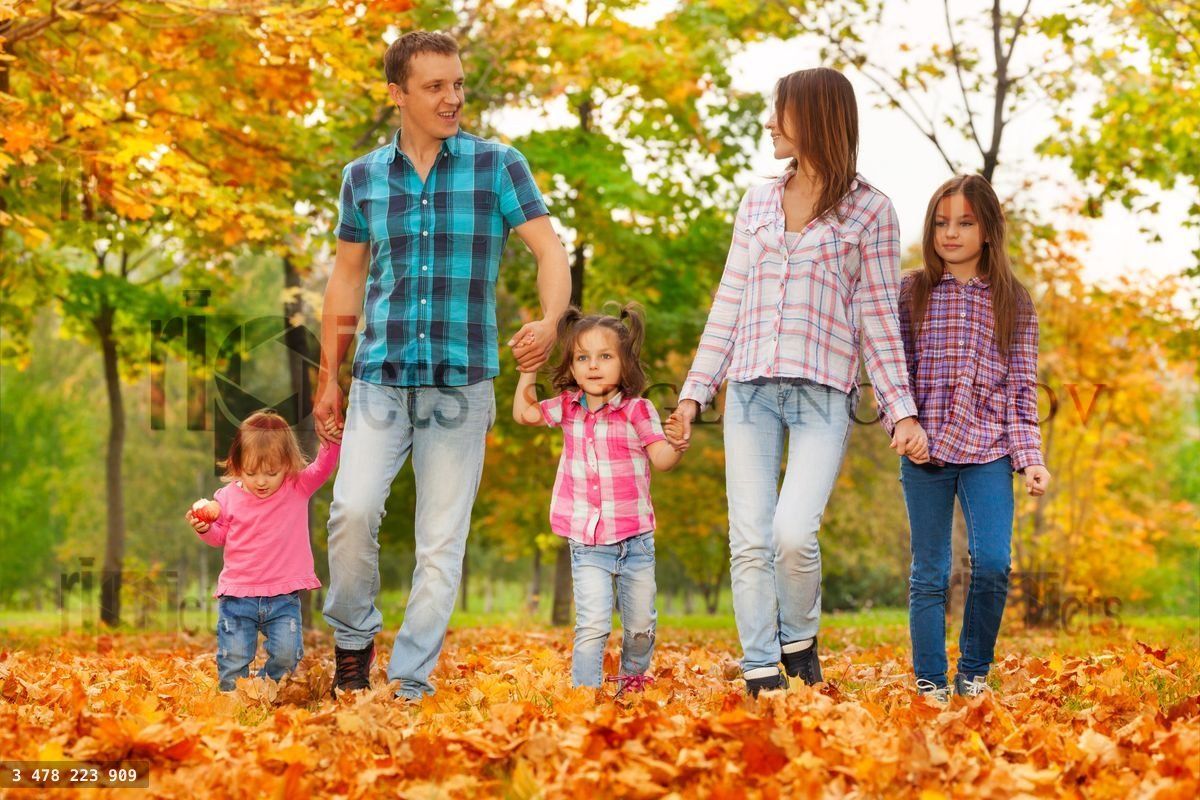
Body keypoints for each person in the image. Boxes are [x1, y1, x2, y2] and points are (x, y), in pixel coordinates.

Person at [313, 30, 570, 700]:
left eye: (457, 84)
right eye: (435, 87)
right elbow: (345, 282)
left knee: (439, 545)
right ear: (397, 93)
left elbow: (550, 251)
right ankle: (351, 645)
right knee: (352, 512)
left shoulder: (497, 166)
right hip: (379, 377)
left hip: (461, 384)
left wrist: (548, 321)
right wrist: (326, 379)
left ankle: (409, 682)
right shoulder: (362, 178)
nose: (452, 98)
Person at [666, 67, 928, 696]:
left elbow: (878, 322)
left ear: (813, 118)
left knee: (791, 533)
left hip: (823, 394)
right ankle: (761, 669)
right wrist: (692, 394)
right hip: (750, 391)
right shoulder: (756, 202)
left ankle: (800, 638)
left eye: (778, 111)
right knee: (749, 537)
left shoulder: (872, 212)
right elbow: (728, 302)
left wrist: (901, 412)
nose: (768, 124)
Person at [898, 175, 1050, 705]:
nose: (951, 233)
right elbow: (894, 371)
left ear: (988, 230)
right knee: (930, 571)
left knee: (991, 562)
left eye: (964, 222)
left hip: (988, 450)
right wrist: (901, 420)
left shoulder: (1013, 300)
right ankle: (930, 679)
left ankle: (974, 670)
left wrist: (1030, 457)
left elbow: (1022, 387)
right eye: (941, 223)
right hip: (926, 452)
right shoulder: (911, 291)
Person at [514, 305, 682, 694]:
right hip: (587, 542)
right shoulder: (568, 408)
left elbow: (662, 459)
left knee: (640, 628)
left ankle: (631, 686)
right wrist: (528, 366)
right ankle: (584, 698)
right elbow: (523, 413)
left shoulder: (639, 410)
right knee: (592, 625)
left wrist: (677, 444)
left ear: (625, 363)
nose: (592, 366)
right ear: (571, 366)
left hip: (635, 540)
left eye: (605, 356)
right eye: (582, 357)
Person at [184, 409, 340, 692]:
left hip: (282, 597)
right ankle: (233, 702)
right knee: (233, 660)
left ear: (288, 464)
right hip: (237, 596)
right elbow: (220, 537)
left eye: (271, 472)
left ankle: (261, 690)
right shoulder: (227, 497)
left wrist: (331, 441)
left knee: (287, 656)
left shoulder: (297, 486)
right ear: (237, 464)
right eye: (251, 472)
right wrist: (205, 528)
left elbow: (323, 466)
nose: (261, 481)